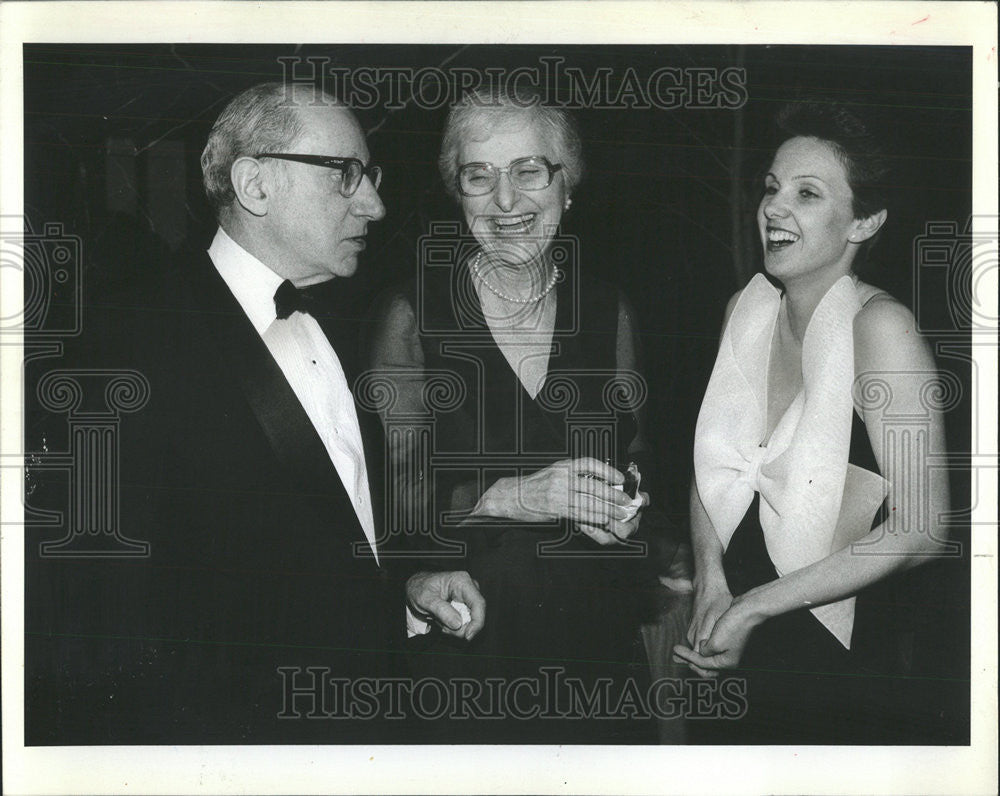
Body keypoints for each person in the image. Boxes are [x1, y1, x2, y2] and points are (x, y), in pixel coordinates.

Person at [25, 82, 483, 744]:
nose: (376, 204)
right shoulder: (126, 349)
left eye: (372, 175)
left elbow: (322, 553)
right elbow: (99, 639)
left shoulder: (343, 327)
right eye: (344, 174)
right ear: (255, 184)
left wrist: (404, 596)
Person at [367, 87, 677, 744]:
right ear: (459, 195)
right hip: (469, 654)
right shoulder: (414, 317)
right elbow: (392, 507)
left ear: (568, 187)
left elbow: (637, 457)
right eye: (480, 177)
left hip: (596, 654)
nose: (506, 202)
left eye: (528, 172)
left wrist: (629, 504)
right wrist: (513, 496)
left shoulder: (609, 310)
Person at [674, 100, 951, 744]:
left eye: (807, 193)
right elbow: (714, 465)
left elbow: (924, 529)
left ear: (864, 221)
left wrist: (755, 608)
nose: (774, 206)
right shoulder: (741, 312)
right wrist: (711, 582)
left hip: (831, 659)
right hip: (723, 634)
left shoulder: (882, 329)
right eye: (772, 187)